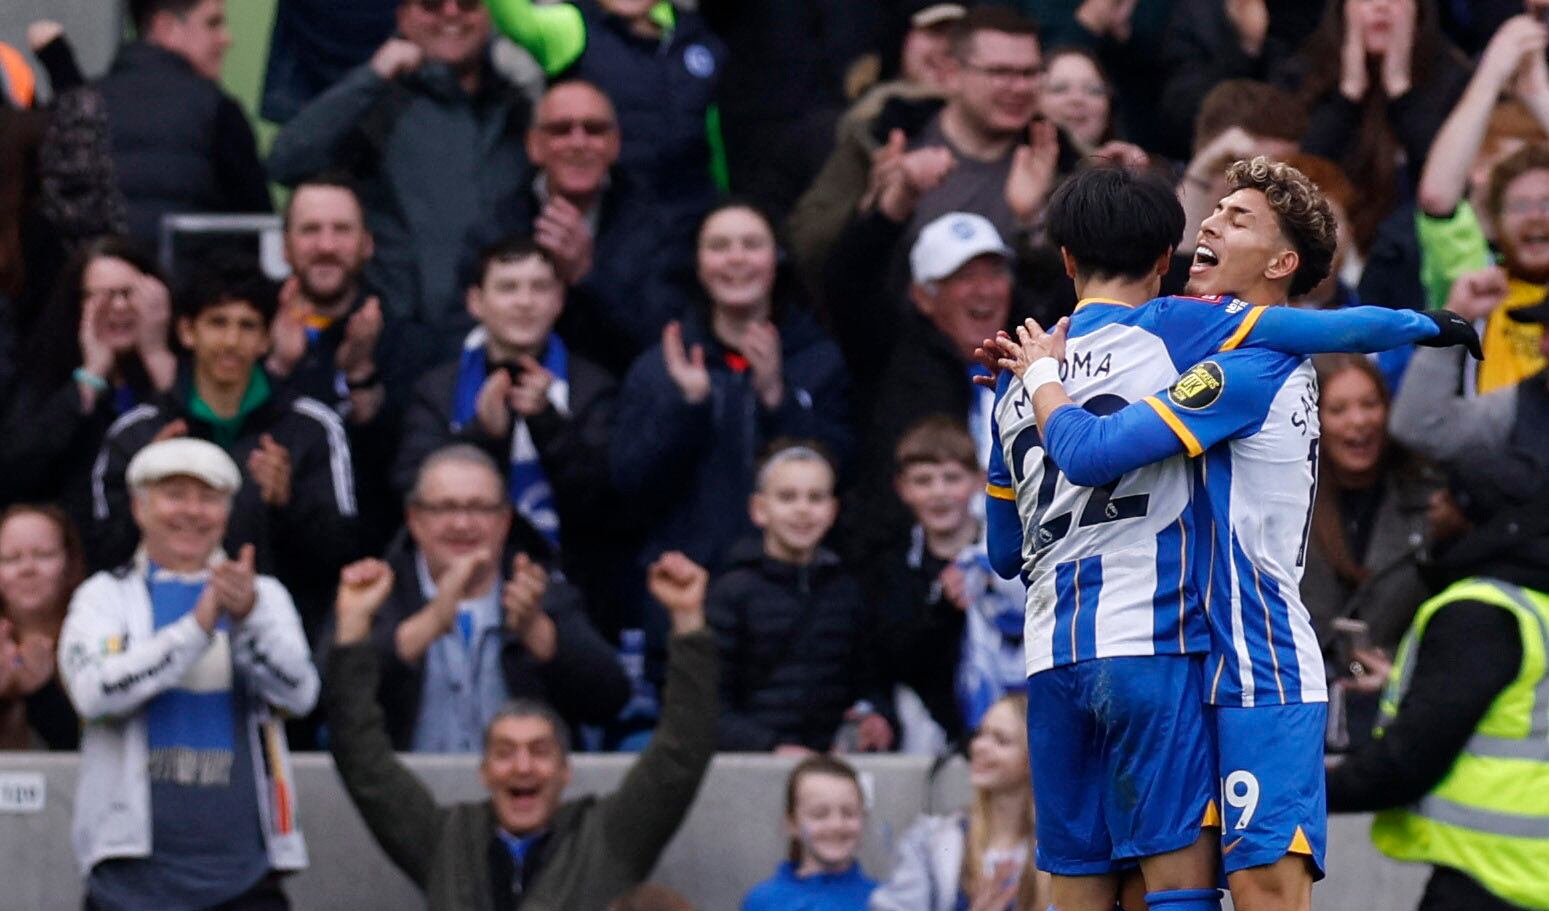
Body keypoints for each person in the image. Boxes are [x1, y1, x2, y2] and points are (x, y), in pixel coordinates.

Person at [978, 162, 1478, 911]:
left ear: (1282, 264)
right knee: (1158, 891)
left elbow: (1066, 475)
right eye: (1206, 215)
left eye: (1234, 219)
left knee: (1255, 894)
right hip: (1177, 653)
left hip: (1254, 658)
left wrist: (1042, 384)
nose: (1205, 227)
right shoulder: (1175, 341)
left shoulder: (1248, 366)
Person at [326, 547, 717, 910]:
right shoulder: (445, 840)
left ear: (566, 771)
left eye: (540, 751)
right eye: (504, 752)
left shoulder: (607, 838)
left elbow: (682, 752)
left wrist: (687, 620)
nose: (523, 766)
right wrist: (353, 625)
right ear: (483, 772)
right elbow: (362, 758)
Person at [58, 438, 318, 910]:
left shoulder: (265, 596)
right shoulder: (103, 596)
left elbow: (301, 694)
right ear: (140, 507)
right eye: (175, 494)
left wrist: (246, 622)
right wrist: (197, 628)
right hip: (128, 887)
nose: (192, 512)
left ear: (227, 511)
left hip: (246, 882)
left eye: (209, 498)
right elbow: (93, 694)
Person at [90, 257, 362, 639]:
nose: (232, 341)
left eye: (247, 326)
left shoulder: (312, 428)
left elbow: (341, 555)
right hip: (158, 637)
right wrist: (146, 490)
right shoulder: (136, 433)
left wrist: (288, 502)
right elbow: (103, 557)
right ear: (187, 331)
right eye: (217, 323)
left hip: (281, 642)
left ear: (267, 339)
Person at [611, 202, 852, 629]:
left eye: (751, 245)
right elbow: (630, 489)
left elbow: (841, 475)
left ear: (775, 261)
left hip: (791, 603)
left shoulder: (818, 359)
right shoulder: (661, 366)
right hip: (687, 598)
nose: (736, 258)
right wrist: (687, 409)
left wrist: (778, 398)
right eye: (720, 246)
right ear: (699, 266)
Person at [1326, 457, 1549, 911]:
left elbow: (1407, 762)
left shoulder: (1478, 613)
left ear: (1474, 511)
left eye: (1448, 494)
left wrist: (1295, 790)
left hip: (1495, 880)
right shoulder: (1532, 602)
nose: (1433, 503)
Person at [266, 0, 533, 359]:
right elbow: (286, 161)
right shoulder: (379, 101)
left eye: (468, 3)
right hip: (401, 339)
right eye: (431, 4)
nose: (451, 14)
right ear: (403, 17)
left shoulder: (521, 99)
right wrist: (374, 75)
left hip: (509, 335)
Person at [790, 6, 1078, 301]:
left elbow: (1081, 291)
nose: (1019, 87)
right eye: (1000, 72)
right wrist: (877, 209)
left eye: (1029, 73)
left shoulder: (1064, 162)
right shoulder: (883, 140)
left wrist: (1033, 223)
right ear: (952, 73)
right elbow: (809, 252)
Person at [352, 444, 628, 751]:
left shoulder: (537, 589)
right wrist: (429, 624)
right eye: (445, 508)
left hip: (521, 790)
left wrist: (538, 633)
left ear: (505, 519)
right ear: (414, 519)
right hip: (398, 792)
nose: (462, 524)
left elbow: (610, 698)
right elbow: (334, 698)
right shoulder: (377, 590)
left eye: (480, 508)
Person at [396, 237, 615, 586]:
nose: (524, 302)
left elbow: (604, 506)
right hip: (455, 586)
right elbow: (411, 489)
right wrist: (483, 433)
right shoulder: (437, 388)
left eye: (540, 288)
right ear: (476, 302)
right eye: (508, 288)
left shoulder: (592, 386)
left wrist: (548, 423)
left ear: (559, 300)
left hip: (567, 587)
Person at [477, 79, 696, 375]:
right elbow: (464, 332)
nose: (578, 144)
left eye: (594, 130)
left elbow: (664, 341)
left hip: (619, 394)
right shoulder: (496, 224)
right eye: (560, 130)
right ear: (534, 145)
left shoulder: (658, 226)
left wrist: (588, 276)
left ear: (615, 144)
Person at [708, 443, 893, 754]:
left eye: (815, 497)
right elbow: (709, 708)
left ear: (832, 510)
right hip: (749, 771)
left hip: (833, 769)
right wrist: (772, 748)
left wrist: (877, 718)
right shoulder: (730, 594)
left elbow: (871, 684)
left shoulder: (849, 593)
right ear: (758, 509)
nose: (803, 509)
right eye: (787, 497)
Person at [485, 0, 727, 221]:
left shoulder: (700, 39)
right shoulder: (572, 27)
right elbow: (514, 17)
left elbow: (717, 142)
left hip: (692, 224)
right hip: (607, 228)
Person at [1415, 12, 1549, 393]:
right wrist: (1491, 74)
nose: (1537, 217)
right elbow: (1437, 198)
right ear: (1493, 219)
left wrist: (1538, 94)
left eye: (1548, 204)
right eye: (1520, 207)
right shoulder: (1477, 282)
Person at [0, 238, 176, 525]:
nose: (119, 307)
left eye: (130, 294)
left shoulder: (182, 368)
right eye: (104, 296)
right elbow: (17, 467)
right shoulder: (43, 376)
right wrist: (90, 377)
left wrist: (157, 358)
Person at [873, 416, 1021, 749]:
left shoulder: (1010, 549)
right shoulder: (892, 566)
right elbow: (892, 657)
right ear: (902, 488)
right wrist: (942, 604)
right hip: (931, 727)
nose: (939, 493)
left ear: (979, 480)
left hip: (1013, 718)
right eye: (924, 480)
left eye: (952, 478)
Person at [1295, 0, 1471, 255]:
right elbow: (1295, 175)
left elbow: (1451, 186)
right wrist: (1348, 95)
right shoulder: (1301, 75)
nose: (1381, 6)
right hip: (1319, 247)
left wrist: (1402, 92)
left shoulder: (1454, 80)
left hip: (1420, 250)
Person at [97, 0, 272, 251]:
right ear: (165, 28)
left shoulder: (82, 103)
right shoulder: (216, 109)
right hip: (193, 281)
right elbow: (256, 227)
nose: (226, 39)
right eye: (212, 24)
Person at [869, 694, 1049, 911]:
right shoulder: (931, 839)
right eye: (980, 734)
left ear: (1036, 757)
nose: (979, 746)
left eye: (1001, 740)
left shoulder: (1060, 850)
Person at [1158, 0, 1323, 157]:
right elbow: (1181, 113)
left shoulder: (1308, 13)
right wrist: (1245, 48)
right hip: (1203, 154)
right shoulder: (1198, 13)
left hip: (1288, 154)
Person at [742, 754, 877, 911]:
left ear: (863, 820)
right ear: (792, 823)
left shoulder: (882, 902)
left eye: (848, 813)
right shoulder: (763, 901)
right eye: (819, 814)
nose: (836, 825)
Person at [0, 505, 84, 750]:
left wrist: (41, 691)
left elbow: (93, 750)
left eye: (44, 555)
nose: (27, 569)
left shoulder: (93, 633)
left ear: (69, 564)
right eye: (10, 559)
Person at [1038, 47, 1114, 154]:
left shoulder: (1131, 166)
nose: (1077, 99)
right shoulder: (1014, 168)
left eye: (1093, 90)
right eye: (1060, 89)